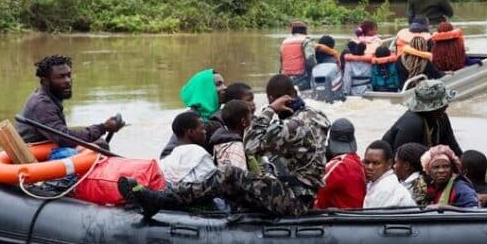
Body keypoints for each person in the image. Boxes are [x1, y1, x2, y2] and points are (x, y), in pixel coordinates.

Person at [121, 75, 330, 218]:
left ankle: (162, 199)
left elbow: (251, 144)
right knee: (238, 178)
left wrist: (269, 110)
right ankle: (163, 197)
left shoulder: (295, 126)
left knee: (229, 174)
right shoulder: (314, 117)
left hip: (294, 201)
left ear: (276, 100)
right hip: (298, 193)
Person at [17, 55, 125, 146]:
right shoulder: (42, 104)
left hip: (46, 146)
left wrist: (99, 129)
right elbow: (63, 138)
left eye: (69, 75)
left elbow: (60, 132)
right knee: (100, 145)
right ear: (45, 81)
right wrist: (103, 127)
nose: (68, 81)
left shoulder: (49, 96)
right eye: (61, 77)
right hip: (34, 157)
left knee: (100, 143)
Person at [159, 71, 239, 158]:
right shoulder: (190, 118)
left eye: (223, 84)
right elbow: (166, 155)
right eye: (218, 84)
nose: (225, 88)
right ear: (205, 89)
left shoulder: (221, 115)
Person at [382, 79, 462, 155]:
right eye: (442, 104)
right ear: (431, 109)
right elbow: (402, 161)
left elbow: (453, 148)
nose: (446, 106)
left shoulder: (442, 118)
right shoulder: (412, 125)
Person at [314, 118, 366, 209]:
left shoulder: (338, 165)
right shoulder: (357, 160)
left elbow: (316, 191)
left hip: (340, 219)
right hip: (355, 215)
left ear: (329, 141)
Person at [159, 111, 216, 186]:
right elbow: (213, 181)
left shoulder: (166, 160)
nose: (205, 132)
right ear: (191, 132)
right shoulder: (199, 154)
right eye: (202, 128)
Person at [363, 140, 416, 208]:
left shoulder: (386, 187)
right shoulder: (376, 182)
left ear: (389, 164)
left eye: (376, 163)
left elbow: (371, 217)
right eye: (367, 162)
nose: (370, 167)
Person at [210, 100, 253, 172]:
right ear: (244, 122)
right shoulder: (236, 146)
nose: (252, 118)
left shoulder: (220, 139)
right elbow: (240, 177)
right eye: (250, 116)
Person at [280, 21, 317, 91]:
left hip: (285, 79)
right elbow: (310, 58)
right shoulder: (306, 41)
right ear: (305, 30)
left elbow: (281, 61)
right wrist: (316, 69)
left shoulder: (284, 42)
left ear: (292, 31)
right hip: (302, 78)